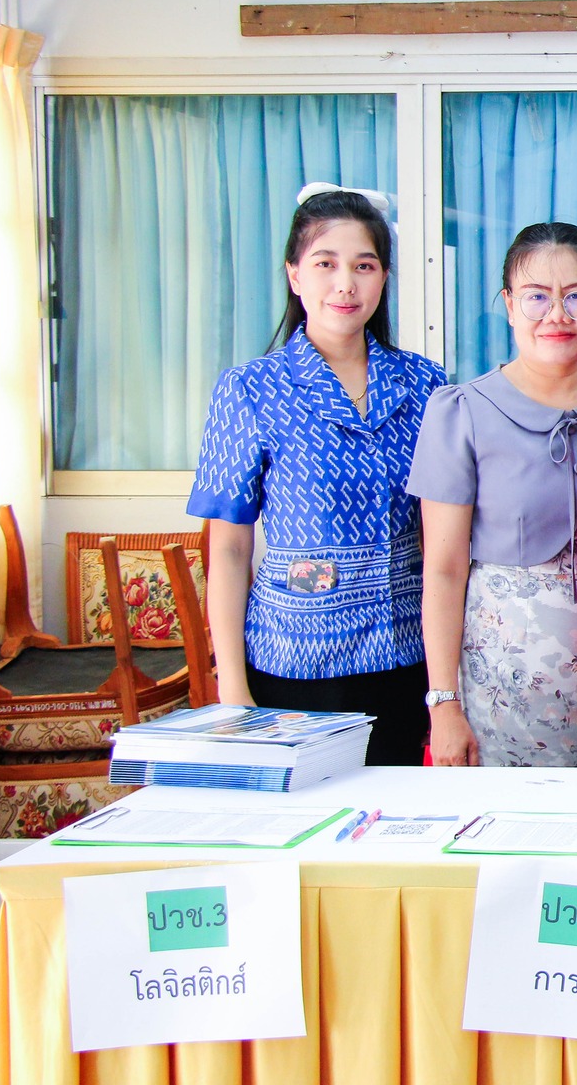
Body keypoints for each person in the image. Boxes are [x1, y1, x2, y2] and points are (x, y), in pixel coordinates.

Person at [188, 187, 447, 765]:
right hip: (293, 662)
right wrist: (232, 686)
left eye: (364, 266)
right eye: (326, 264)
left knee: (394, 815)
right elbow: (228, 549)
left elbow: (444, 539)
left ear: (384, 278)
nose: (345, 284)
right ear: (294, 275)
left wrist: (446, 683)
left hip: (406, 657)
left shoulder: (426, 385)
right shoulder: (249, 389)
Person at [409, 223, 577, 767]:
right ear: (508, 304)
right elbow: (444, 571)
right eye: (536, 297)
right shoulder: (461, 411)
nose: (557, 315)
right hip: (507, 689)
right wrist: (443, 703)